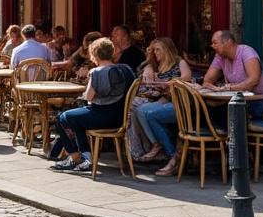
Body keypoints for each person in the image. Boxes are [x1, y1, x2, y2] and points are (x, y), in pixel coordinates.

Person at [51, 37, 137, 173]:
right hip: (121, 118)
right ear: (112, 52)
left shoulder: (96, 72)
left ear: (94, 54)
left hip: (102, 116)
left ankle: (75, 157)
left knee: (62, 118)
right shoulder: (126, 69)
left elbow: (88, 97)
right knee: (76, 119)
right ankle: (86, 157)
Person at [130, 37, 193, 176]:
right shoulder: (157, 64)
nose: (155, 53)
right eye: (154, 50)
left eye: (158, 50)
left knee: (150, 114)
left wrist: (168, 82)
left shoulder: (179, 61)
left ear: (167, 50)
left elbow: (187, 76)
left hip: (181, 104)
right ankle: (159, 146)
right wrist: (150, 69)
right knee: (139, 109)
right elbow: (141, 67)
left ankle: (170, 154)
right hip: (165, 99)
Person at [203, 29, 263, 118]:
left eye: (215, 43)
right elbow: (207, 81)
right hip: (236, 101)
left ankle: (226, 131)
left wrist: (228, 88)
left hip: (258, 101)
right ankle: (222, 131)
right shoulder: (220, 57)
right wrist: (214, 88)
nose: (212, 46)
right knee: (206, 108)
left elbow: (254, 80)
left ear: (228, 42)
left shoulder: (246, 52)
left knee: (221, 113)